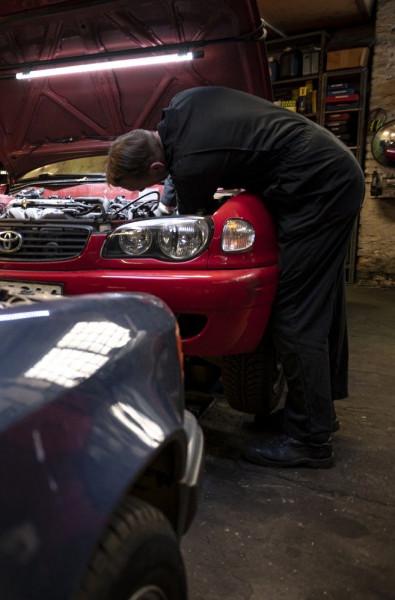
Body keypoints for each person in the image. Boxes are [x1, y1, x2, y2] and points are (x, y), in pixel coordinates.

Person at [106, 86, 364, 469]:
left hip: (319, 188)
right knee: (319, 300)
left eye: (144, 185)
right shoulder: (182, 104)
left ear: (155, 169)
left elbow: (196, 225)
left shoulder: (192, 163)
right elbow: (183, 165)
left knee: (295, 314)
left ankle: (310, 440)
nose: (146, 191)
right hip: (329, 169)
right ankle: (315, 414)